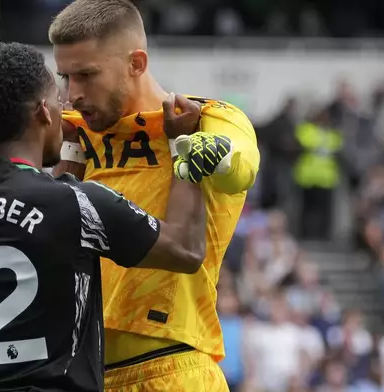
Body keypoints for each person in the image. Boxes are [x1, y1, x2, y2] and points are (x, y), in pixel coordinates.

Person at [0, 42, 223, 391]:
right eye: (56, 100)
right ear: (43, 112)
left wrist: (73, 151)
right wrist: (182, 143)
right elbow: (185, 249)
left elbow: (32, 225)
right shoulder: (76, 204)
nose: (66, 107)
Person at [48, 0, 260, 390]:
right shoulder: (74, 138)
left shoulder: (202, 118)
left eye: (86, 75)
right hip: (80, 375)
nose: (72, 94)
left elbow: (240, 168)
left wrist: (212, 153)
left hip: (171, 369)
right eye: (64, 77)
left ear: (137, 63)